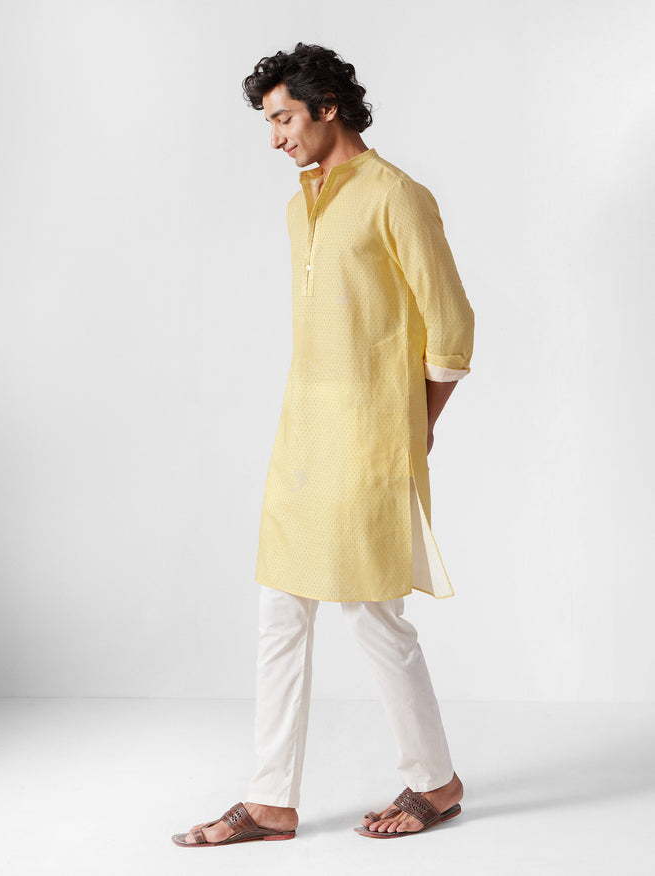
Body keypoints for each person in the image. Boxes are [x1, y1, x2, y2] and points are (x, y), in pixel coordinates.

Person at [172, 41, 475, 848]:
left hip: (370, 441)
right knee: (280, 608)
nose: (275, 138)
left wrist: (418, 426)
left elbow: (451, 325)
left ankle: (435, 782)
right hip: (300, 436)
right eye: (269, 123)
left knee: (371, 612)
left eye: (283, 119)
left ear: (327, 108)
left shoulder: (396, 196)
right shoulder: (299, 204)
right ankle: (270, 800)